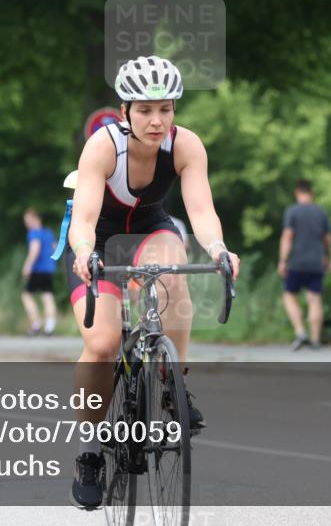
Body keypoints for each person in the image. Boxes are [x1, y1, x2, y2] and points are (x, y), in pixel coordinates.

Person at [66, 55, 240, 510]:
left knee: (174, 275)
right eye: (144, 110)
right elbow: (82, 218)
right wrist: (85, 253)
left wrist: (219, 248)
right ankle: (88, 453)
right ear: (124, 110)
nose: (157, 120)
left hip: (150, 230)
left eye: (165, 108)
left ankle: (171, 384)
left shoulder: (186, 146)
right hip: (100, 241)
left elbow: (201, 211)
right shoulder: (102, 148)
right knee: (102, 345)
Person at [278, 179, 331, 350]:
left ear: (297, 192)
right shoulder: (321, 212)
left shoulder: (292, 212)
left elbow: (287, 236)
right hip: (316, 261)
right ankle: (315, 340)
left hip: (296, 262)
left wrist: (283, 260)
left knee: (288, 295)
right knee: (314, 298)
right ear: (312, 192)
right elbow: (328, 239)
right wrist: (327, 257)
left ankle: (301, 332)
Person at [21, 208, 58, 336]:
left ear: (36, 219)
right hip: (49, 269)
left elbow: (34, 250)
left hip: (38, 269)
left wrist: (27, 265)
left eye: (28, 220)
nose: (26, 224)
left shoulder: (34, 233)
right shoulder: (48, 233)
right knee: (47, 296)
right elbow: (55, 247)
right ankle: (50, 326)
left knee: (26, 296)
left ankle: (36, 324)